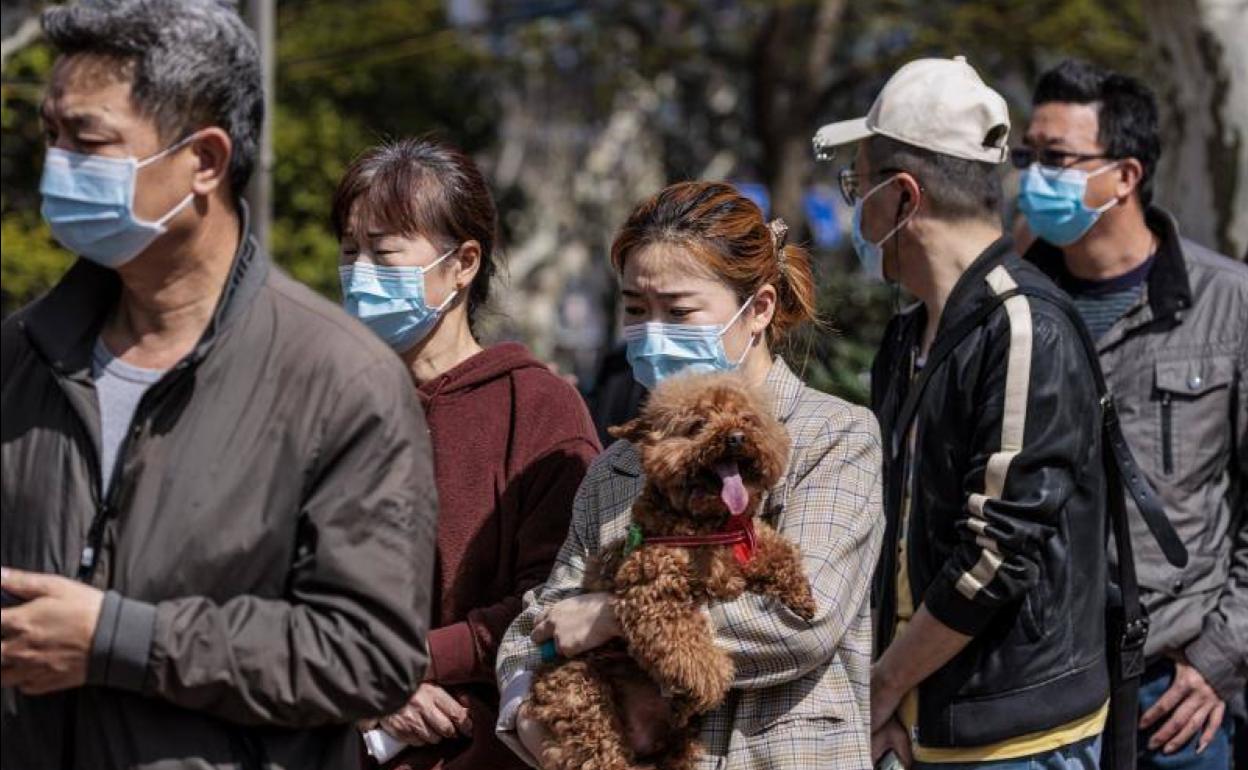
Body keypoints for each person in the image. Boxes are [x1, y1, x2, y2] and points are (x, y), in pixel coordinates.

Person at [0, 2, 437, 768]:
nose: (57, 164)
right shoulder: (20, 354)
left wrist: (119, 641)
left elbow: (369, 653)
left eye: (88, 141)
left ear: (204, 160)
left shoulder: (339, 380)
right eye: (51, 135)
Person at [494, 180, 885, 769]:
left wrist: (611, 618)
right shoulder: (621, 464)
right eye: (634, 310)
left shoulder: (834, 437)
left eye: (678, 311)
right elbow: (538, 625)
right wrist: (528, 712)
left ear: (758, 309)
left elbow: (801, 624)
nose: (652, 331)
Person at [813, 56, 1111, 768]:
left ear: (904, 197)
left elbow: (998, 555)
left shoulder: (1023, 325)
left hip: (1016, 739)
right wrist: (896, 702)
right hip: (924, 724)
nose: (855, 209)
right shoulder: (907, 335)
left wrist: (883, 686)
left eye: (860, 184)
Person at [331, 137, 601, 770]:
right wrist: (360, 688)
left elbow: (558, 597)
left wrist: (410, 662)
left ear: (464, 263)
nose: (361, 272)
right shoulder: (324, 400)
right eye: (350, 251)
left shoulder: (538, 410)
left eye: (385, 252)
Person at [1018, 59, 1247, 769]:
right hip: (1035, 684)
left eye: (1056, 159)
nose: (1034, 177)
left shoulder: (1228, 305)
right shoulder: (1012, 307)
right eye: (1028, 157)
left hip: (1174, 696)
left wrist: (1221, 655)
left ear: (1125, 175)